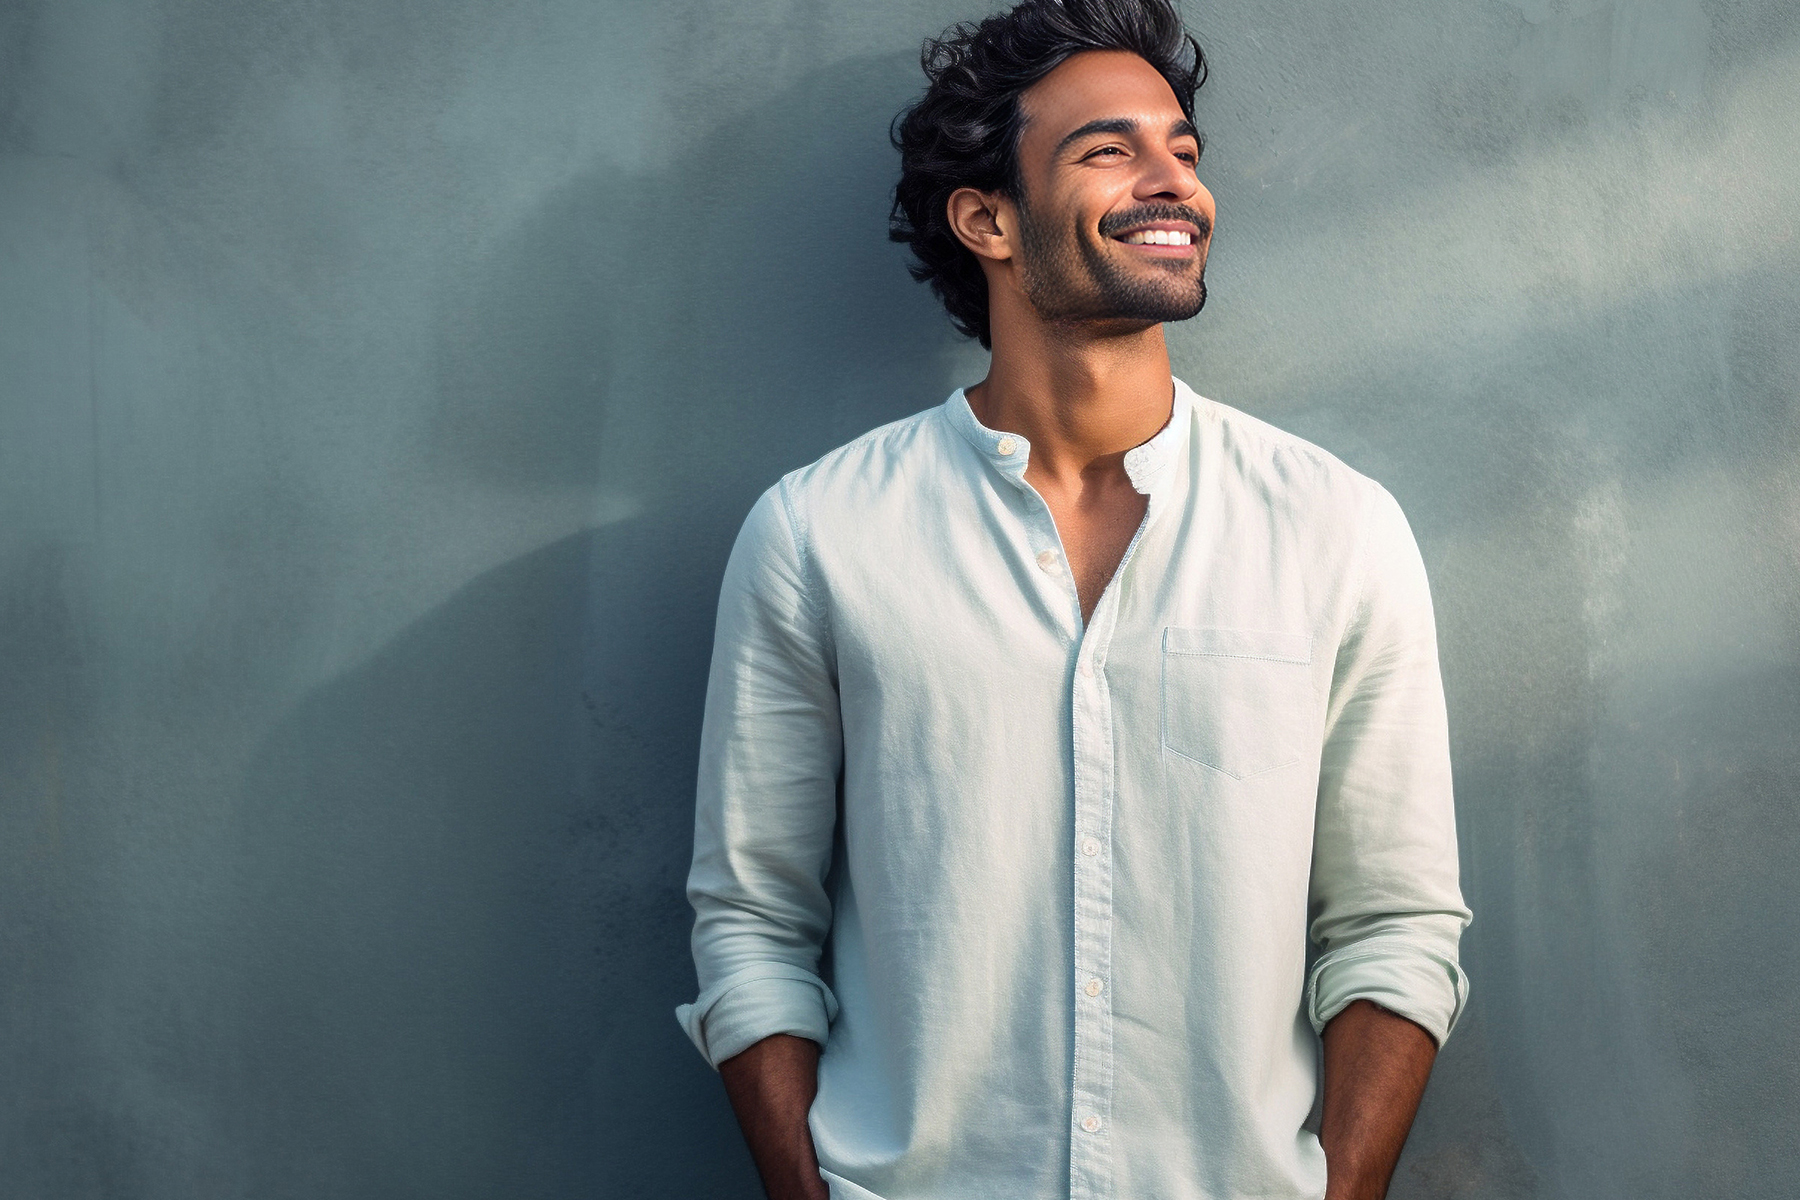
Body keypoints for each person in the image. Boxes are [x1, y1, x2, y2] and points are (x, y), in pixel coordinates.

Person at [675, 1, 1472, 1197]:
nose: (1176, 185)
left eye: (1184, 152)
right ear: (987, 218)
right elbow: (752, 923)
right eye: (1111, 150)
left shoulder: (1336, 529)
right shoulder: (820, 535)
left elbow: (1394, 929)